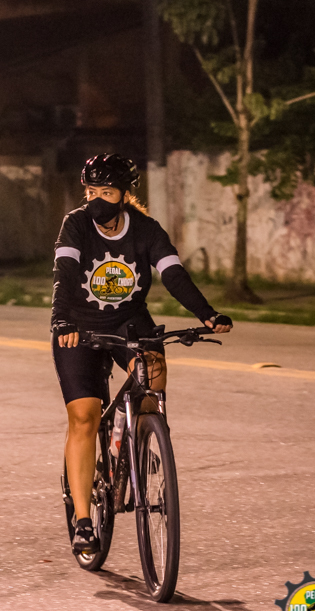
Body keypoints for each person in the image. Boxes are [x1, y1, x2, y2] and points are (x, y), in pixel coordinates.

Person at [51, 154, 233, 555]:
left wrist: (207, 314)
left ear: (125, 195)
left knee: (153, 369)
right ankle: (84, 520)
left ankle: (142, 435)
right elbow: (64, 274)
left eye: (108, 192)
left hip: (129, 321)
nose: (98, 200)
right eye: (91, 192)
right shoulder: (76, 224)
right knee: (84, 416)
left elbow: (173, 275)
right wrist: (61, 319)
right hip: (79, 327)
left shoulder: (147, 230)